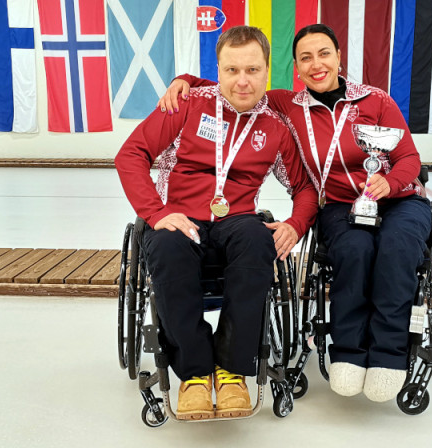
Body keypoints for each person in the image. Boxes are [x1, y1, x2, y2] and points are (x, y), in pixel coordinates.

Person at [159, 24, 431, 403]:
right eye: (306, 58)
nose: (316, 64)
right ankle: (350, 354)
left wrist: (390, 183)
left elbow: (408, 157)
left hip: (400, 199)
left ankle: (388, 355)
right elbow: (238, 83)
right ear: (296, 68)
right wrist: (184, 80)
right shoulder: (286, 104)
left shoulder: (376, 100)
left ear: (339, 58)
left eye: (324, 54)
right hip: (339, 206)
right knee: (354, 252)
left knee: (397, 248)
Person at [115, 26, 317, 420]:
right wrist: (156, 212)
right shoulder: (188, 104)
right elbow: (132, 154)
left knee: (259, 242)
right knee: (169, 245)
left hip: (235, 218)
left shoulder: (275, 127)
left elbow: (305, 187)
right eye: (232, 70)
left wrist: (296, 222)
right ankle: (194, 373)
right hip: (180, 214)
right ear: (219, 71)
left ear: (267, 71)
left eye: (253, 70)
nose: (242, 81)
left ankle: (230, 371)